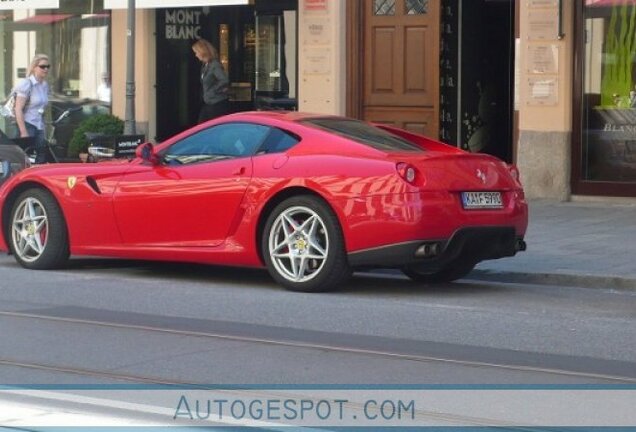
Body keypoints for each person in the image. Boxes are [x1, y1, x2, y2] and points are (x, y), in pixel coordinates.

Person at [14, 54, 50, 164]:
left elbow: (42, 107)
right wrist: (23, 132)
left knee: (41, 154)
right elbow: (18, 108)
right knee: (25, 156)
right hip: (28, 124)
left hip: (39, 124)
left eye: (48, 66)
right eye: (42, 66)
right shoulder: (26, 84)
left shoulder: (44, 85)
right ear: (34, 67)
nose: (46, 69)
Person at [192, 38, 229, 123]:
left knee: (212, 128)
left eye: (196, 52)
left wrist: (213, 90)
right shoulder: (205, 65)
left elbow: (224, 80)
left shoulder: (214, 65)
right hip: (208, 103)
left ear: (202, 51)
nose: (196, 55)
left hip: (217, 103)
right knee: (201, 126)